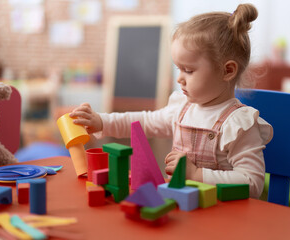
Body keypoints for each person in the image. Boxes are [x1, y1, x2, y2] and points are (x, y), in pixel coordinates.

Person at [69, 3, 273, 198]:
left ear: (227, 70)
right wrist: (102, 121)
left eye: (189, 70)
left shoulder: (239, 125)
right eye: (179, 68)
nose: (179, 78)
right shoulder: (182, 109)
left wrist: (195, 174)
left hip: (224, 218)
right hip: (183, 209)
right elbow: (143, 122)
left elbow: (252, 182)